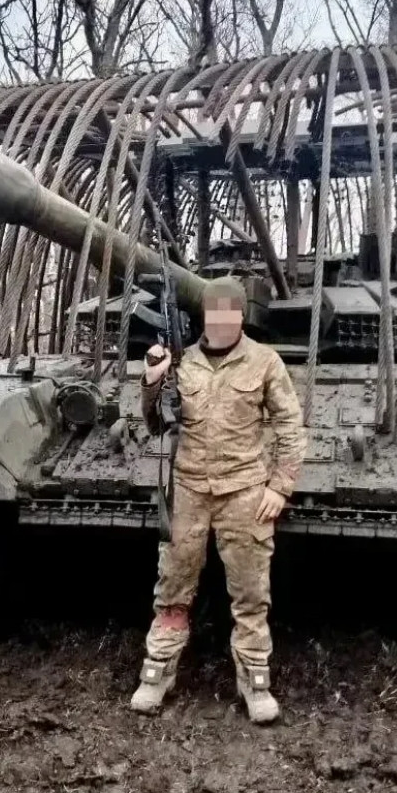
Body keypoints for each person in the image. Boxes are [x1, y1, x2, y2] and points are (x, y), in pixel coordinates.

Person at [132, 276, 307, 723]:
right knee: (172, 587)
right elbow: (155, 425)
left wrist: (279, 486)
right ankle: (157, 673)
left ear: (241, 315)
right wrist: (152, 381)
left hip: (244, 491)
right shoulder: (181, 362)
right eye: (215, 313)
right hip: (189, 488)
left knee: (250, 593)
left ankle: (255, 682)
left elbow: (290, 427)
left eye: (231, 313)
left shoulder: (265, 362)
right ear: (205, 316)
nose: (223, 321)